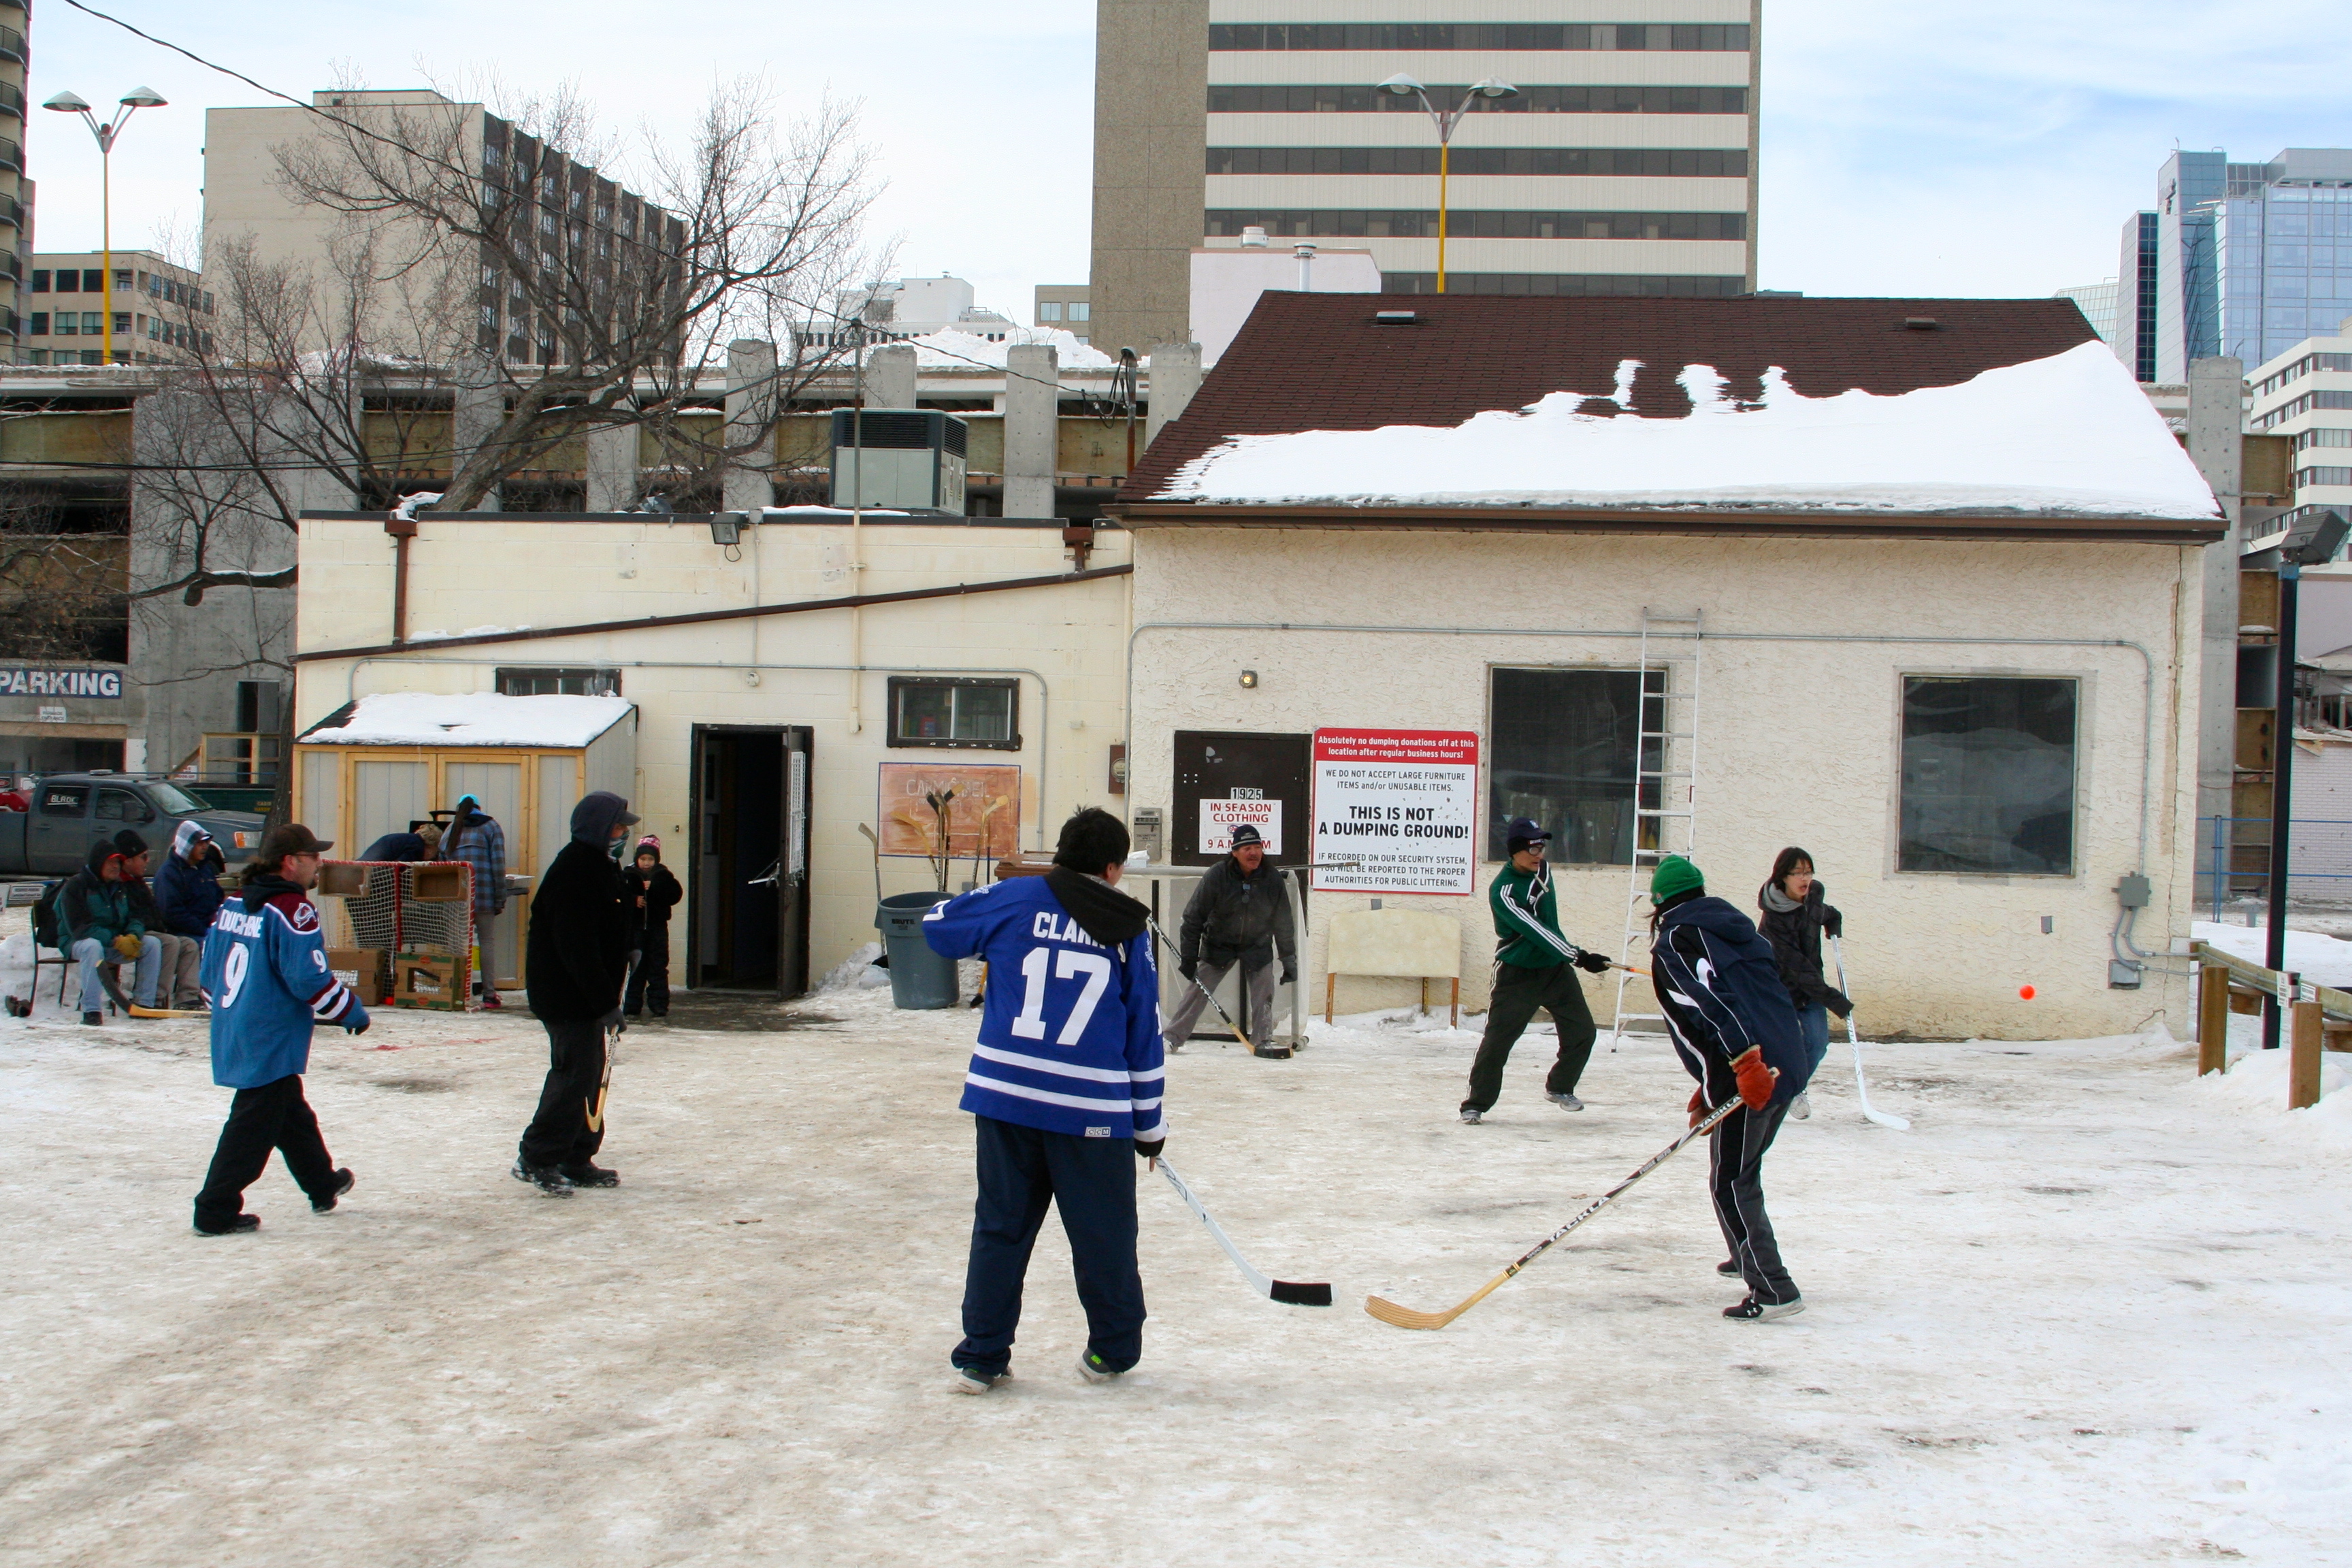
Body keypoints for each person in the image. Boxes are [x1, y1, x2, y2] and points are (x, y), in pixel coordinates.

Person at [922, 805, 1165, 1394]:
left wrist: (1002, 918)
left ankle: (981, 1355)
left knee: (1000, 1229)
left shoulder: (1014, 898)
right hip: (1093, 1112)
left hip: (1006, 1100)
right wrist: (1149, 1127)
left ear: (1060, 854)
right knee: (1104, 1235)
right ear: (1113, 868)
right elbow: (1144, 1032)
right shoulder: (1130, 928)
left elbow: (937, 924)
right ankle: (1112, 1350)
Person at [1646, 855, 1813, 1322]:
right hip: (1785, 1064)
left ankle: (1773, 1289)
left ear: (1659, 902)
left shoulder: (1676, 940)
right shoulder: (1737, 929)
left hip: (1752, 1072)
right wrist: (1710, 1086)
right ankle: (1746, 1255)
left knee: (1733, 1181)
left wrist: (1744, 1063)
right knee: (1741, 1171)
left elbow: (1713, 1004)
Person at [191, 823, 368, 1235]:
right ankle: (214, 1209)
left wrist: (226, 1013)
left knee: (289, 1110)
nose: (319, 863)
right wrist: (350, 1011)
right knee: (251, 1127)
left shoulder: (233, 904)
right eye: (313, 856)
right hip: (269, 1033)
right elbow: (307, 978)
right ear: (290, 862)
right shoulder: (293, 910)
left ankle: (321, 1184)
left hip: (237, 1025)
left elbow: (208, 968)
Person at [514, 791, 638, 1196]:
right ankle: (537, 1157)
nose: (623, 835)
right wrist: (605, 1004)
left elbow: (612, 919)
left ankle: (576, 1156)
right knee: (574, 1075)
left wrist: (630, 947)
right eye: (618, 828)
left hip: (588, 996)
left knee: (590, 1074)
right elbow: (576, 946)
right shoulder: (573, 870)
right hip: (566, 995)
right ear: (598, 828)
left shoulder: (603, 866)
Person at [1460, 817, 1614, 1123]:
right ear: (1514, 850)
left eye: (1541, 847)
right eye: (1532, 848)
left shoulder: (1543, 870)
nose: (1539, 854)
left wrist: (1569, 957)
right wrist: (1579, 957)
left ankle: (1560, 1087)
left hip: (1555, 969)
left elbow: (1549, 925)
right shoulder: (1503, 891)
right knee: (1498, 1042)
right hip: (1516, 974)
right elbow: (1536, 931)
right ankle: (1475, 1105)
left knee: (1583, 1032)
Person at [1163, 822, 1295, 1057]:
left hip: (1257, 944)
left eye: (1258, 847)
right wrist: (1189, 958)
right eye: (1247, 848)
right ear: (1235, 852)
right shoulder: (1218, 875)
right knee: (1197, 992)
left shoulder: (1272, 878)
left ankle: (1262, 1040)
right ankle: (1171, 1038)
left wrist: (1289, 959)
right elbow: (1193, 917)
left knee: (1264, 993)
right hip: (1219, 944)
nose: (1254, 853)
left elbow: (1283, 921)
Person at [1757, 847, 1850, 1122]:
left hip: (1809, 990)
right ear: (1783, 877)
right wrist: (1833, 999)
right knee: (1780, 1049)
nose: (1804, 879)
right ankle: (1768, 1092)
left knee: (1817, 1044)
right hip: (1777, 990)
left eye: (1808, 872)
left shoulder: (1813, 898)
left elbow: (1826, 913)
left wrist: (1834, 923)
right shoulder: (1774, 918)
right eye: (1797, 873)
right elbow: (1796, 967)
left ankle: (1792, 1089)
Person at [59, 839, 161, 1026]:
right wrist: (115, 940)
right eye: (111, 862)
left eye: (118, 862)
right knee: (92, 946)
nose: (116, 867)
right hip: (76, 941)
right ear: (98, 863)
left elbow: (136, 916)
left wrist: (133, 935)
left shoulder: (120, 886)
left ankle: (144, 1004)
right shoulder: (76, 886)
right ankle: (91, 1010)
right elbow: (80, 927)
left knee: (152, 944)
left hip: (114, 941)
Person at [114, 829, 203, 1011]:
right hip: (133, 932)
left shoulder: (138, 882)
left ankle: (188, 996)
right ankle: (155, 997)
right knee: (169, 943)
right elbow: (131, 916)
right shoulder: (119, 884)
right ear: (128, 861)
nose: (147, 861)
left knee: (189, 945)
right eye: (143, 857)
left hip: (152, 930)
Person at [444, 794, 508, 1008]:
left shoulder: (451, 829)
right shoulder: (491, 827)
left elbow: (442, 864)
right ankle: (489, 995)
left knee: (459, 945)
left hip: (458, 899)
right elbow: (498, 865)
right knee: (487, 942)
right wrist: (500, 897)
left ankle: (458, 992)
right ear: (479, 808)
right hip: (484, 896)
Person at [621, 834, 681, 1019]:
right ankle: (631, 1006)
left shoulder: (664, 876)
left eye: (650, 859)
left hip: (657, 928)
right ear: (637, 859)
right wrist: (633, 900)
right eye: (643, 859)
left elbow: (675, 895)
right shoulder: (627, 875)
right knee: (636, 968)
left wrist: (655, 888)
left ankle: (659, 1005)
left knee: (658, 967)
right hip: (636, 930)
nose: (647, 863)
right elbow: (617, 896)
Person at [155, 820, 229, 949]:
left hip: (211, 927)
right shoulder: (169, 873)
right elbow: (172, 913)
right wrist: (204, 930)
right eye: (200, 843)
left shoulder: (206, 868)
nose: (205, 847)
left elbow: (218, 897)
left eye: (206, 843)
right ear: (187, 845)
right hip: (185, 933)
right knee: (217, 947)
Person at [357, 821, 444, 863]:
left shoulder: (406, 839)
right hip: (373, 875)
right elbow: (399, 868)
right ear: (430, 848)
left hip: (359, 868)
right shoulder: (417, 847)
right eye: (435, 853)